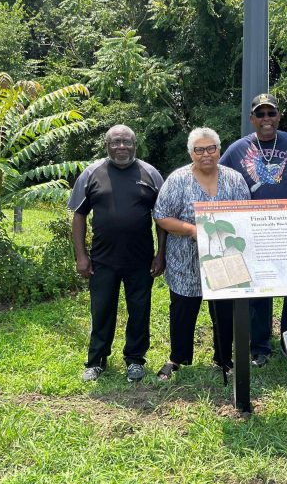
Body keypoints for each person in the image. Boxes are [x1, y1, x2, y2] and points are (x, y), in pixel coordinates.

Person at [220, 93, 287, 366]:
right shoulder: (238, 149)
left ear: (278, 116)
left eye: (271, 113)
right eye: (260, 114)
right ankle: (259, 346)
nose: (266, 119)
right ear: (252, 119)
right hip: (255, 231)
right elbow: (218, 175)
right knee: (259, 289)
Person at [68, 124, 166, 383]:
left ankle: (135, 360)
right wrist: (81, 256)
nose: (121, 146)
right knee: (101, 310)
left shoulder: (151, 174)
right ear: (107, 145)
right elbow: (79, 215)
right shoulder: (91, 174)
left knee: (139, 311)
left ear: (135, 145)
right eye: (116, 142)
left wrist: (160, 254)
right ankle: (96, 361)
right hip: (102, 260)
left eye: (126, 142)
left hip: (141, 260)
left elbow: (162, 218)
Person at [153, 128, 250, 381]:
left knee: (225, 310)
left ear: (219, 150)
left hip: (225, 257)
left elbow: (246, 214)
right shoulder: (178, 179)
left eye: (211, 148)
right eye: (199, 150)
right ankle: (177, 358)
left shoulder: (234, 179)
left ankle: (224, 358)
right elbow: (161, 216)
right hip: (186, 259)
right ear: (191, 153)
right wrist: (193, 230)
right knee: (183, 309)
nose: (206, 154)